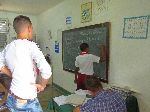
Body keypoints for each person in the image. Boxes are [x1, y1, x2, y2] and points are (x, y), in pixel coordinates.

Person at [0, 15, 52, 112]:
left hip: (12, 97)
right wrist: (42, 85)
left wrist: (11, 74)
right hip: (28, 101)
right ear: (29, 28)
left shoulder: (8, 47)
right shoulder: (31, 45)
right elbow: (47, 71)